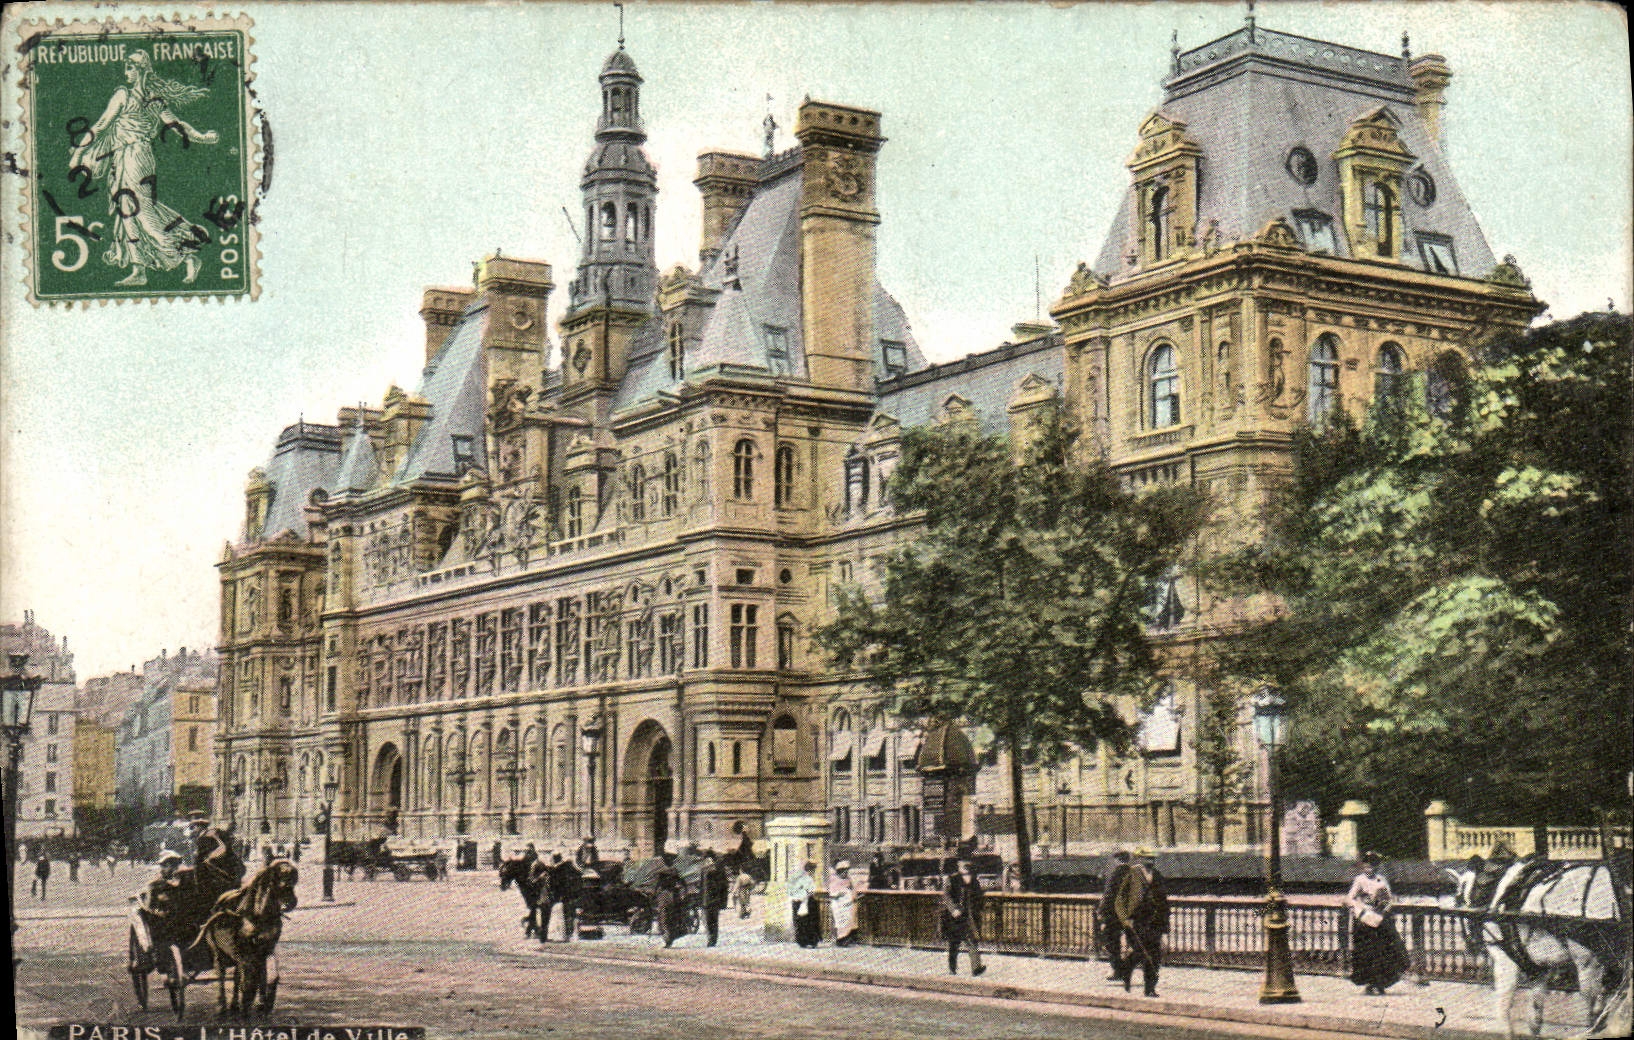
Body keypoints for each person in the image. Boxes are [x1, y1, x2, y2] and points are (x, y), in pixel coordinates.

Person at [67, 50, 221, 286]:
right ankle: (139, 270)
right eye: (126, 68)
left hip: (138, 157)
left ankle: (186, 256)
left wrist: (202, 137)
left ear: (141, 71)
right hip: (121, 158)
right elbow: (100, 127)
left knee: (143, 213)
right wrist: (79, 152)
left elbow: (177, 125)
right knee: (126, 212)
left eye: (130, 68)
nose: (126, 73)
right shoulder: (124, 95)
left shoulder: (148, 98)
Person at [1347, 851, 1409, 996]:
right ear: (1363, 866)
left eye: (1373, 867)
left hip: (1379, 920)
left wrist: (1384, 907)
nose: (1370, 870)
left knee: (1381, 952)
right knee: (1366, 952)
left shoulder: (1381, 880)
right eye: (1367, 867)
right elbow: (1350, 898)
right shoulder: (1359, 880)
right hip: (1365, 921)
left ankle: (1380, 982)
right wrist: (1361, 908)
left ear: (1377, 867)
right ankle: (1369, 982)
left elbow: (1390, 898)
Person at [1112, 848, 1169, 997]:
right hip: (1137, 921)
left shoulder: (1157, 876)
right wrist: (1125, 919)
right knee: (1141, 952)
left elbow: (1163, 902)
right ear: (1140, 859)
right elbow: (1120, 900)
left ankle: (1149, 988)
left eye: (1153, 859)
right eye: (1147, 858)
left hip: (1155, 922)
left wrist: (1164, 926)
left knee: (1154, 956)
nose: (1151, 861)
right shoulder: (1132, 873)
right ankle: (1126, 970)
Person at [940, 860, 986, 976]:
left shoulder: (975, 881)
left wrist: (978, 909)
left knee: (972, 941)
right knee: (953, 943)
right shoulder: (952, 879)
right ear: (959, 867)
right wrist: (953, 909)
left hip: (968, 917)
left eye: (968, 866)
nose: (966, 868)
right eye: (964, 866)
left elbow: (979, 896)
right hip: (954, 917)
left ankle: (976, 968)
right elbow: (946, 895)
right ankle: (952, 968)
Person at [1098, 849, 1133, 984]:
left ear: (1117, 860)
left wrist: (1101, 911)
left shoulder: (1116, 873)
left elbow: (1109, 894)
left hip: (1114, 914)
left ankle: (1117, 970)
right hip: (1130, 913)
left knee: (1111, 941)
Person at [653, 852, 687, 948]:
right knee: (670, 919)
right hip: (672, 897)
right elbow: (683, 884)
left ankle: (668, 939)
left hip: (665, 898)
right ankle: (669, 938)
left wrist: (655, 895)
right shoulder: (674, 872)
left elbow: (657, 886)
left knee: (665, 919)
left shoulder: (662, 872)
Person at [550, 852, 583, 942]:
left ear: (554, 859)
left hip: (563, 896)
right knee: (572, 915)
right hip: (574, 895)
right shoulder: (570, 866)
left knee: (564, 915)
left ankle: (566, 935)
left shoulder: (557, 869)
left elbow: (554, 885)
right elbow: (580, 874)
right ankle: (572, 934)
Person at [788, 859, 821, 949]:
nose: (813, 872)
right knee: (808, 922)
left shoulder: (798, 878)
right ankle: (810, 940)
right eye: (812, 870)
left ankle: (803, 941)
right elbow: (809, 891)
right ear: (810, 870)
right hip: (805, 901)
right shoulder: (807, 879)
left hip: (798, 902)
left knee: (801, 922)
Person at [701, 850, 730, 947]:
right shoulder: (704, 870)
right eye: (707, 859)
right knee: (709, 920)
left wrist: (723, 900)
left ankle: (712, 939)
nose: (708, 861)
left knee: (713, 920)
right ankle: (711, 939)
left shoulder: (719, 870)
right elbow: (702, 885)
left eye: (710, 859)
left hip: (714, 899)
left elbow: (724, 885)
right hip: (707, 899)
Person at [829, 860, 858, 947]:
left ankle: (846, 938)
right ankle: (840, 939)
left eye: (846, 871)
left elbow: (852, 890)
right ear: (840, 872)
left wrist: (853, 896)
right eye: (844, 871)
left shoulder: (848, 880)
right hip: (838, 905)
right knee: (840, 922)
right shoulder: (834, 880)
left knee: (848, 921)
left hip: (847, 905)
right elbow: (832, 894)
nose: (845, 873)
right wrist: (838, 894)